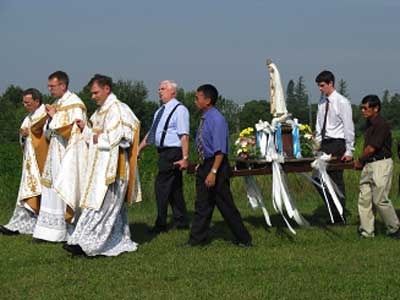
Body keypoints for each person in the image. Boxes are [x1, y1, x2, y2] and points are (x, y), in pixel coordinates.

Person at [64, 74, 141, 257]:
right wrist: (86, 129)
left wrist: (102, 137)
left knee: (104, 206)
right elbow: (93, 136)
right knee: (100, 206)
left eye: (95, 92)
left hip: (113, 169)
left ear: (107, 89)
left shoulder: (119, 109)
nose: (93, 97)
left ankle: (90, 245)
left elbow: (125, 136)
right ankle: (109, 240)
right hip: (98, 169)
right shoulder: (98, 113)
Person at [187, 84, 252, 247]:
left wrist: (213, 172)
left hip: (216, 164)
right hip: (206, 164)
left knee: (225, 205)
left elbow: (220, 150)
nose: (195, 101)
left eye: (197, 98)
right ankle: (196, 240)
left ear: (208, 100)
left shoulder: (217, 119)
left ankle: (244, 239)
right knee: (202, 205)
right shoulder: (204, 118)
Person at [32, 71, 87, 242]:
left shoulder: (75, 104)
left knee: (64, 188)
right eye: (49, 86)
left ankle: (65, 230)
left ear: (63, 85)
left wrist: (54, 117)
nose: (49, 89)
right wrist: (48, 121)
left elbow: (77, 131)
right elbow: (49, 130)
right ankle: (47, 232)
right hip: (54, 151)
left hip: (67, 153)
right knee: (50, 189)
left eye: (52, 86)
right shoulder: (57, 103)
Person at [138, 80, 189, 234]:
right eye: (159, 89)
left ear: (173, 92)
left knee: (161, 187)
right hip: (163, 152)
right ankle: (181, 221)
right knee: (174, 188)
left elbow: (184, 135)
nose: (159, 92)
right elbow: (152, 133)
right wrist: (139, 148)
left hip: (173, 152)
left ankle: (160, 224)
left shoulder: (180, 110)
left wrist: (185, 157)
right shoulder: (159, 111)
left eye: (163, 89)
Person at [0, 89, 49, 235]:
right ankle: (20, 224)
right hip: (29, 161)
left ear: (36, 101)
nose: (24, 105)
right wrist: (23, 137)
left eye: (27, 102)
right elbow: (24, 136)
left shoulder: (44, 115)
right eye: (24, 102)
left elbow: (46, 135)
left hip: (41, 162)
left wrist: (31, 134)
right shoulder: (29, 117)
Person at [354, 95, 400, 239]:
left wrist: (359, 160)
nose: (362, 110)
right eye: (362, 107)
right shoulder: (369, 124)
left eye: (365, 108)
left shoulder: (382, 125)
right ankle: (367, 231)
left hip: (381, 163)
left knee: (380, 199)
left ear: (376, 108)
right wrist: (364, 162)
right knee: (364, 198)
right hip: (369, 163)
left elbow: (372, 148)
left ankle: (394, 228)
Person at [314, 70, 355, 224]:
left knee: (336, 179)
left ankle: (339, 216)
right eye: (318, 85)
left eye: (322, 85)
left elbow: (348, 127)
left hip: (337, 143)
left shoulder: (342, 102)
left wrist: (349, 150)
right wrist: (317, 145)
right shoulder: (322, 103)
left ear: (331, 83)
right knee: (317, 179)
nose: (320, 88)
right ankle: (334, 210)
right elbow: (319, 126)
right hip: (325, 144)